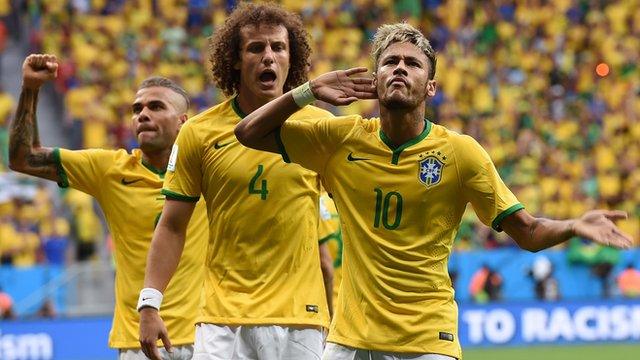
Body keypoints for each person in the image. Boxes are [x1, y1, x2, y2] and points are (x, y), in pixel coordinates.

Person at [234, 22, 633, 359]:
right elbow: (248, 132)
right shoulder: (341, 140)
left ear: (431, 87)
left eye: (412, 64)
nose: (400, 69)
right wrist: (309, 90)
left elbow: (527, 232)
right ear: (374, 81)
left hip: (427, 340)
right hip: (350, 340)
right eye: (390, 62)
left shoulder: (460, 153)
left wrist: (574, 226)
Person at [139, 3, 334, 360]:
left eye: (278, 47)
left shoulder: (319, 128)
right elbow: (172, 225)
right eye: (256, 48)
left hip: (300, 315)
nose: (269, 57)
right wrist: (150, 303)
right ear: (234, 59)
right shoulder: (199, 131)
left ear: (293, 59)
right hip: (222, 317)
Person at [9, 54, 209, 359]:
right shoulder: (110, 168)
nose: (143, 114)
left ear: (183, 122)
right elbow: (23, 158)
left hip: (207, 335)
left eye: (156, 107)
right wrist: (30, 89)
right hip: (139, 340)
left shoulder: (210, 171)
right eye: (137, 109)